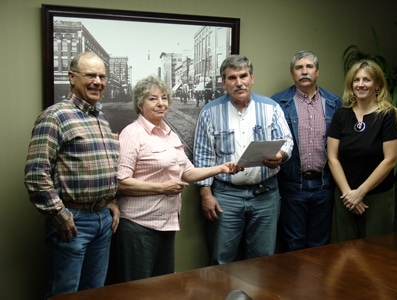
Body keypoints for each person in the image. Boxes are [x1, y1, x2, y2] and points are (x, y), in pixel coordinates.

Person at [115, 75, 243, 282]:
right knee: (137, 289)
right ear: (140, 103)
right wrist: (161, 188)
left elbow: (188, 172)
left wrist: (221, 168)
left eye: (164, 98)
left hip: (167, 222)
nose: (161, 104)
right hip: (139, 225)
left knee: (163, 286)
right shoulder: (133, 133)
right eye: (153, 99)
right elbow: (121, 182)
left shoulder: (169, 134)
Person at [24, 52, 120, 299]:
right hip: (73, 221)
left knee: (94, 291)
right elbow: (36, 175)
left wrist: (111, 201)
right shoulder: (55, 116)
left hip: (102, 220)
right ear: (72, 78)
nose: (98, 81)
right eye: (90, 75)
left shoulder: (102, 118)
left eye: (102, 76)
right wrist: (59, 215)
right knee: (65, 293)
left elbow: (104, 167)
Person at [193, 55, 293, 265]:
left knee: (263, 260)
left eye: (243, 76)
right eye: (232, 78)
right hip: (225, 197)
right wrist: (205, 195)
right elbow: (203, 157)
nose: (239, 83)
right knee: (221, 259)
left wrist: (280, 155)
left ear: (252, 78)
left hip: (265, 195)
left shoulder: (271, 108)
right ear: (224, 82)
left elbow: (287, 142)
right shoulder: (209, 113)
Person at [271, 50, 343, 252]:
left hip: (324, 184)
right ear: (292, 73)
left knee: (320, 244)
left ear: (317, 72)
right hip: (293, 185)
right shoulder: (277, 103)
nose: (304, 71)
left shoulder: (334, 103)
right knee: (293, 244)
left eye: (309, 67)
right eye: (299, 67)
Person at [327, 59, 397, 242]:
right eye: (356, 80)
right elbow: (332, 157)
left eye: (366, 80)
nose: (360, 84)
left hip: (377, 197)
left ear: (377, 84)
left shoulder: (388, 116)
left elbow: (391, 159)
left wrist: (360, 192)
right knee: (343, 253)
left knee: (376, 253)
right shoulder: (341, 115)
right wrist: (349, 195)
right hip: (345, 196)